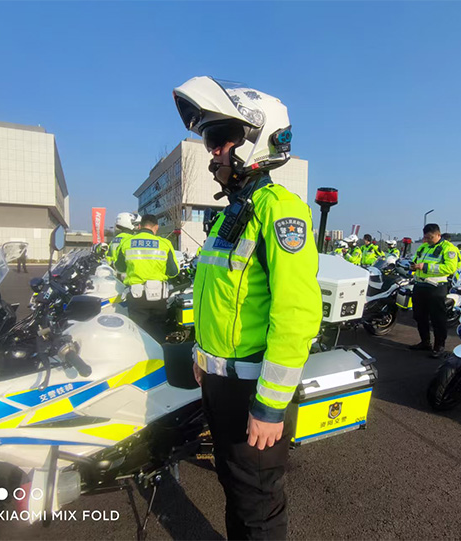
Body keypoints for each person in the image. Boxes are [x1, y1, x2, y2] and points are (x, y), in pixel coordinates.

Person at [174, 75, 321, 539]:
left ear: (257, 139)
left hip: (254, 391)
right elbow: (215, 298)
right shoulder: (231, 215)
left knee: (257, 503)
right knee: (234, 487)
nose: (213, 150)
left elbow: (296, 314)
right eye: (209, 140)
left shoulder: (281, 210)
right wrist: (202, 357)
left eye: (220, 137)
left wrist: (271, 405)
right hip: (219, 383)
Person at [114, 213, 178, 339]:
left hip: (136, 296)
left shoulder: (127, 242)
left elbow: (120, 267)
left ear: (139, 226)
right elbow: (173, 271)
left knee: (138, 333)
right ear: (156, 227)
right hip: (158, 296)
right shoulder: (164, 244)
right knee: (158, 332)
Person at [409, 223, 460, 358]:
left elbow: (450, 268)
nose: (427, 240)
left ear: (438, 235)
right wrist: (413, 266)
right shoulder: (423, 246)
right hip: (420, 285)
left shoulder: (448, 248)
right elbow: (415, 260)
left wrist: (425, 267)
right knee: (419, 316)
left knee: (437, 318)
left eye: (430, 237)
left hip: (436, 287)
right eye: (425, 237)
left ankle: (439, 346)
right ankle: (425, 342)